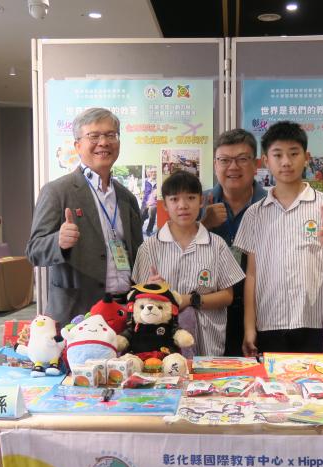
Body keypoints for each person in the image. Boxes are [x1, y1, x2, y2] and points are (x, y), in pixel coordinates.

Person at [234, 121, 323, 354]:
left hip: (318, 323)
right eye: (277, 155)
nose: (286, 162)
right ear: (265, 161)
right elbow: (251, 275)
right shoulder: (254, 214)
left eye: (293, 153)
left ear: (306, 157)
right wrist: (249, 328)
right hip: (270, 322)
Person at [26, 107, 143, 324]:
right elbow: (34, 251)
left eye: (111, 135)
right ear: (78, 145)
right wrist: (58, 241)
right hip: (77, 315)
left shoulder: (127, 198)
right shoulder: (57, 191)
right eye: (94, 136)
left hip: (123, 313)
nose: (104, 142)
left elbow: (137, 255)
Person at [132, 171, 245, 356]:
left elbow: (227, 296)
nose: (183, 205)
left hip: (208, 342)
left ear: (201, 201)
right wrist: (152, 291)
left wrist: (191, 300)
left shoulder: (216, 245)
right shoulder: (149, 247)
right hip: (163, 344)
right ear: (165, 204)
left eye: (191, 198)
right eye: (174, 199)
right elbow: (138, 301)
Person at [201, 129, 268, 356]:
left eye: (242, 159)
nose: (233, 167)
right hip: (209, 311)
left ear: (256, 164)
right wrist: (203, 224)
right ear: (215, 164)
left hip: (261, 312)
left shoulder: (271, 205)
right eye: (224, 160)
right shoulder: (197, 202)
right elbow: (174, 246)